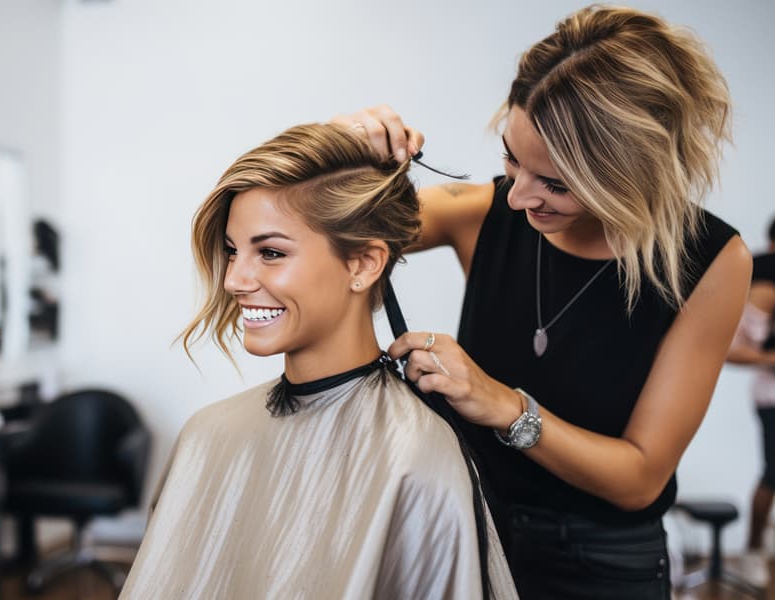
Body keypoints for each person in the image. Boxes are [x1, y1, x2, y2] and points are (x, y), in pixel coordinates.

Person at [332, 5, 751, 599]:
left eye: (555, 182)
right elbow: (328, 233)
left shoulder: (710, 260)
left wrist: (501, 404)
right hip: (469, 527)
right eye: (511, 158)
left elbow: (638, 478)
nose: (517, 197)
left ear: (632, 172)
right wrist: (342, 151)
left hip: (603, 562)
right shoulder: (481, 212)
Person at [119, 123, 518, 599]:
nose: (234, 281)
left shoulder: (414, 455)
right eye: (232, 251)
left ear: (364, 264)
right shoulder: (207, 435)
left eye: (269, 252)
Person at [727, 217, 775, 587]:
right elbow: (733, 350)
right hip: (771, 395)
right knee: (773, 474)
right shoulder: (761, 284)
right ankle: (753, 551)